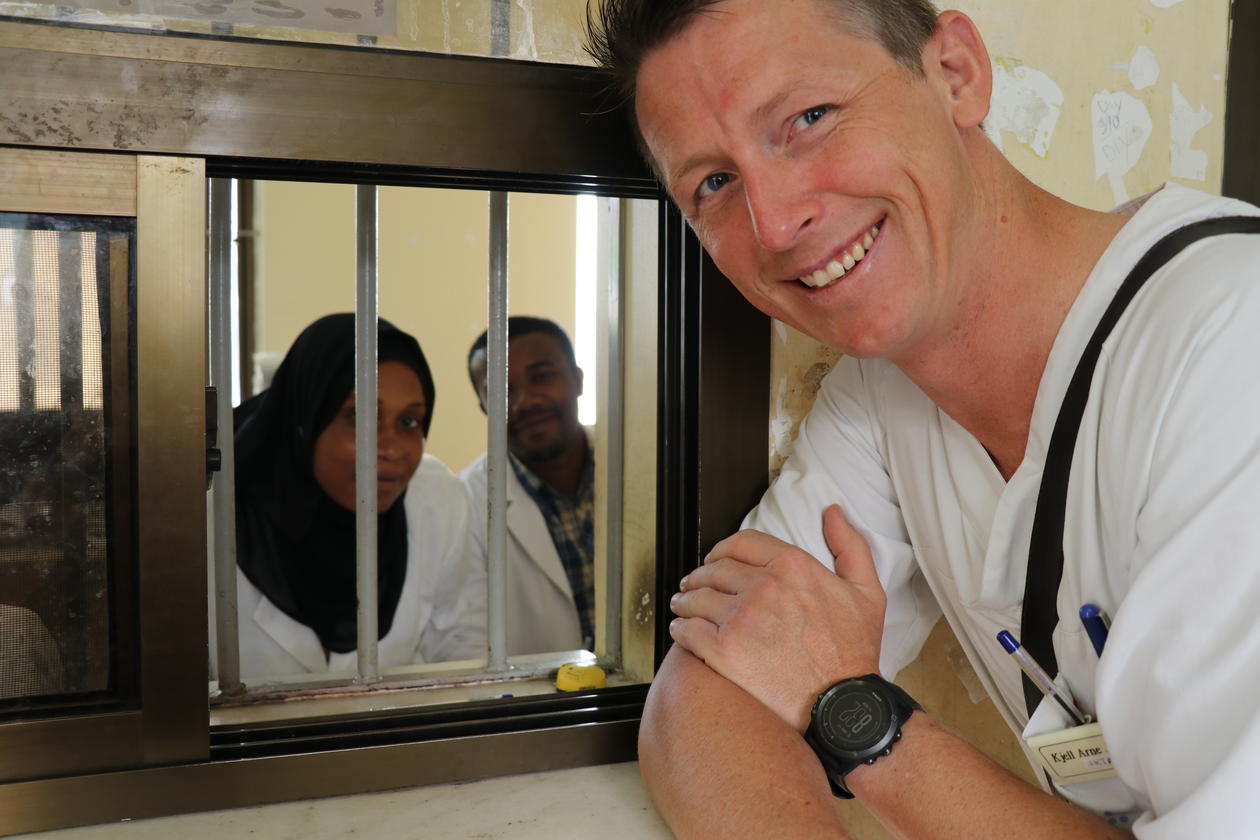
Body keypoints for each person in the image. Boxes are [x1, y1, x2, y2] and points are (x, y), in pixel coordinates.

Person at [587, 1, 1260, 837]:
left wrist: (855, 713)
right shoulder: (882, 393)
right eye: (714, 184)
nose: (776, 222)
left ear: (956, 74)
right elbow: (708, 684)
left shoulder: (1231, 344)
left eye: (809, 118)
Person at [220, 314, 485, 682]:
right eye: (359, 416)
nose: (391, 449)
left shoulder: (439, 501)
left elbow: (464, 650)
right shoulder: (209, 512)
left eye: (409, 422)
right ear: (306, 417)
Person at [461, 316, 594, 655]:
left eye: (542, 377)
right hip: (539, 690)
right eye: (501, 391)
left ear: (578, 379)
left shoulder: (642, 466)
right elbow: (466, 646)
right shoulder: (466, 505)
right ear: (484, 407)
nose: (525, 402)